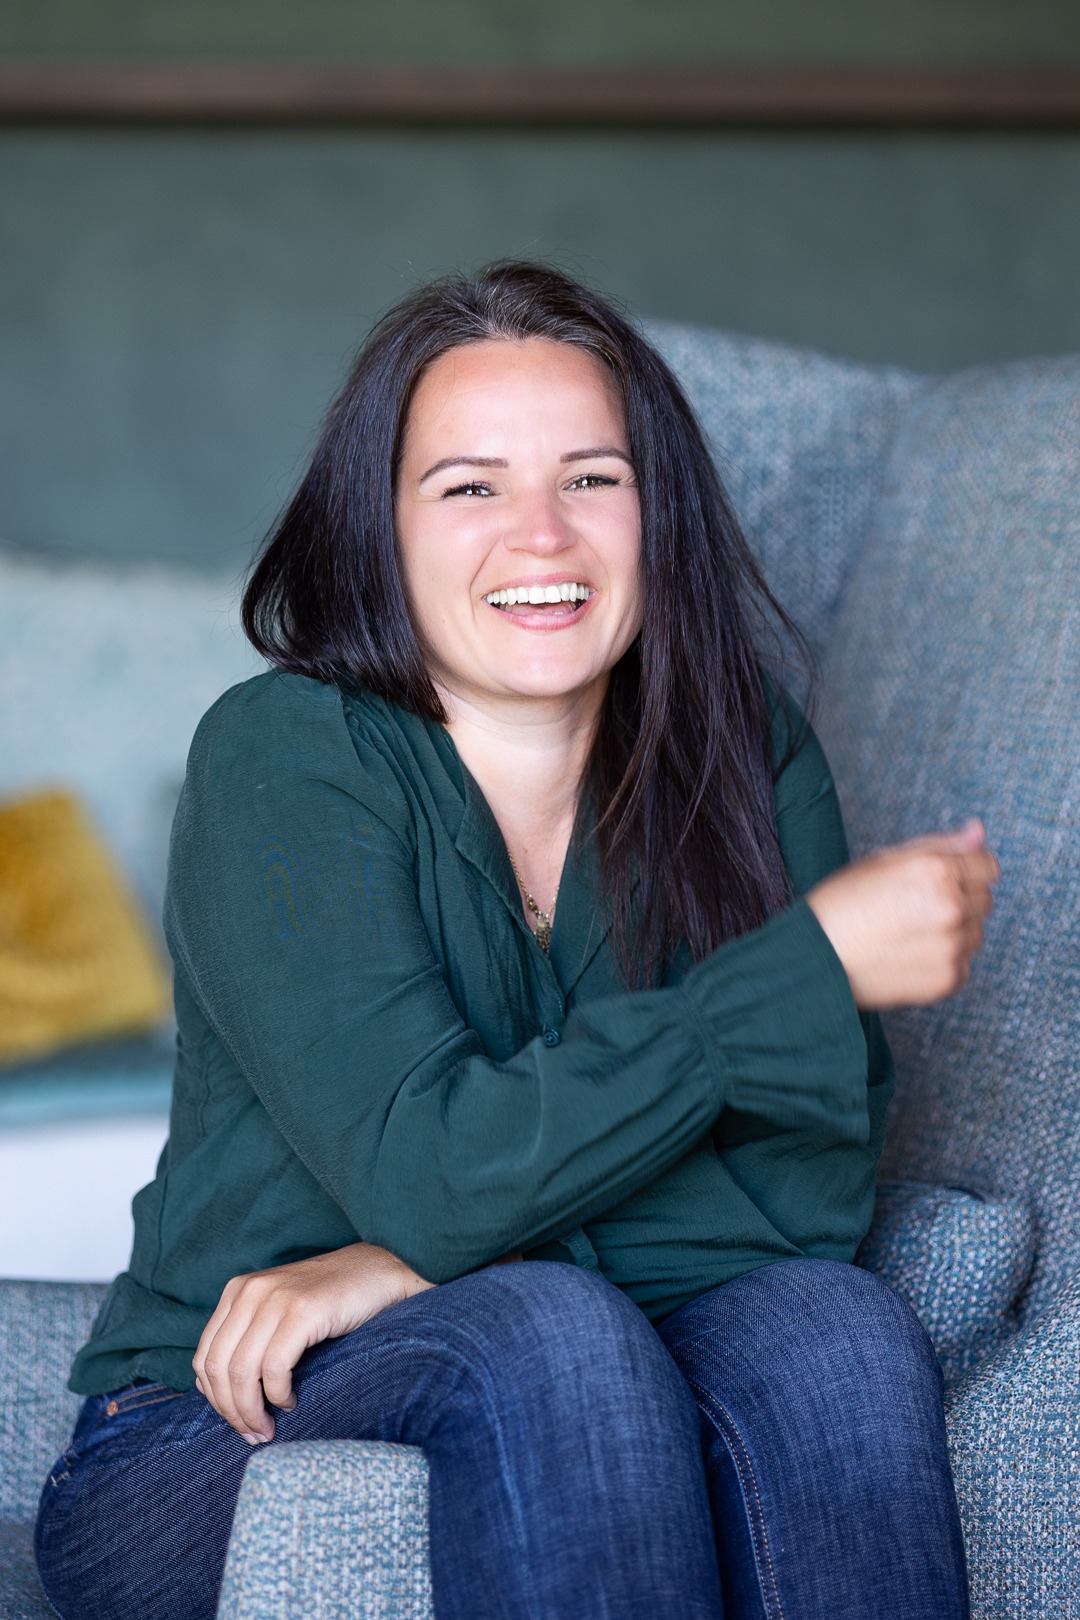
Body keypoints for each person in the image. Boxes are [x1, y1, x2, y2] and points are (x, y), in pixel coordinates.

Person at [35, 262, 997, 1619]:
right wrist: (797, 976)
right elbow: (427, 1168)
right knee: (549, 1330)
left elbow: (806, 1206)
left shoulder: (745, 753)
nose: (541, 536)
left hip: (603, 1348)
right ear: (381, 527)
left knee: (835, 1330)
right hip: (201, 1441)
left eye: (592, 479)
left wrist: (405, 1260)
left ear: (658, 515)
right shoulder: (288, 757)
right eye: (469, 485)